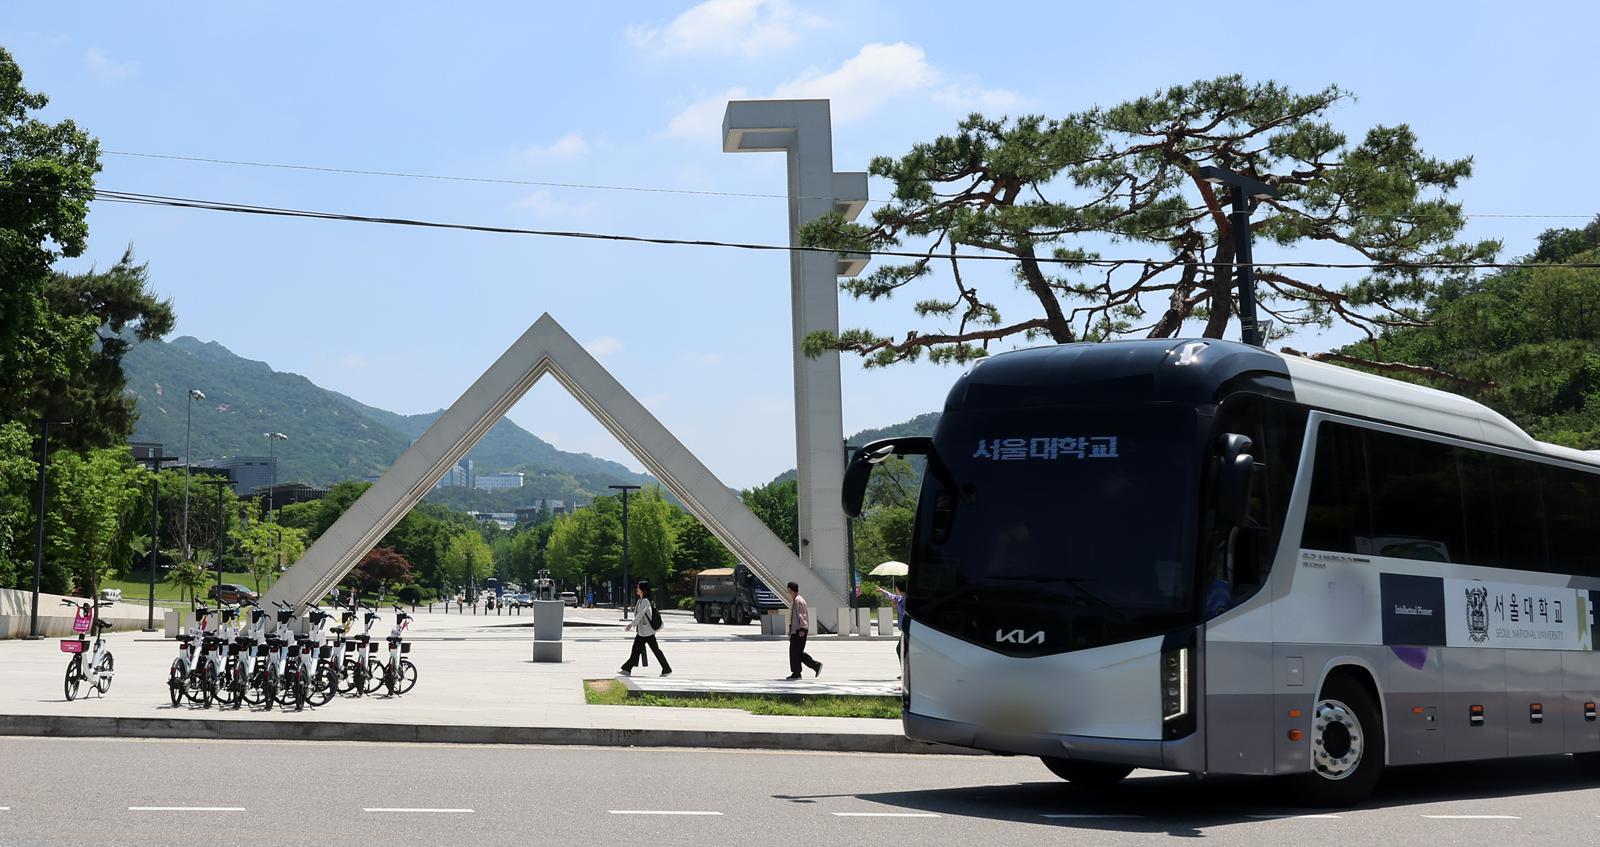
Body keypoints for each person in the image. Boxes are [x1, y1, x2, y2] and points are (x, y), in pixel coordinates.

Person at [619, 580, 671, 677]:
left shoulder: (646, 601)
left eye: (638, 587)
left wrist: (631, 624)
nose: (636, 589)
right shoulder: (640, 600)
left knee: (655, 651)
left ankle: (667, 669)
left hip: (647, 631)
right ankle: (627, 669)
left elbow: (641, 614)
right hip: (642, 631)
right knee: (636, 650)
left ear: (643, 590)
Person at [785, 581, 822, 680]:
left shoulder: (799, 601)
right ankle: (812, 667)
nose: (787, 592)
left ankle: (799, 672)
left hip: (799, 631)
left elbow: (802, 616)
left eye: (788, 589)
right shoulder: (795, 600)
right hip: (796, 631)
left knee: (796, 653)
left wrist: (802, 629)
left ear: (790, 589)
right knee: (796, 653)